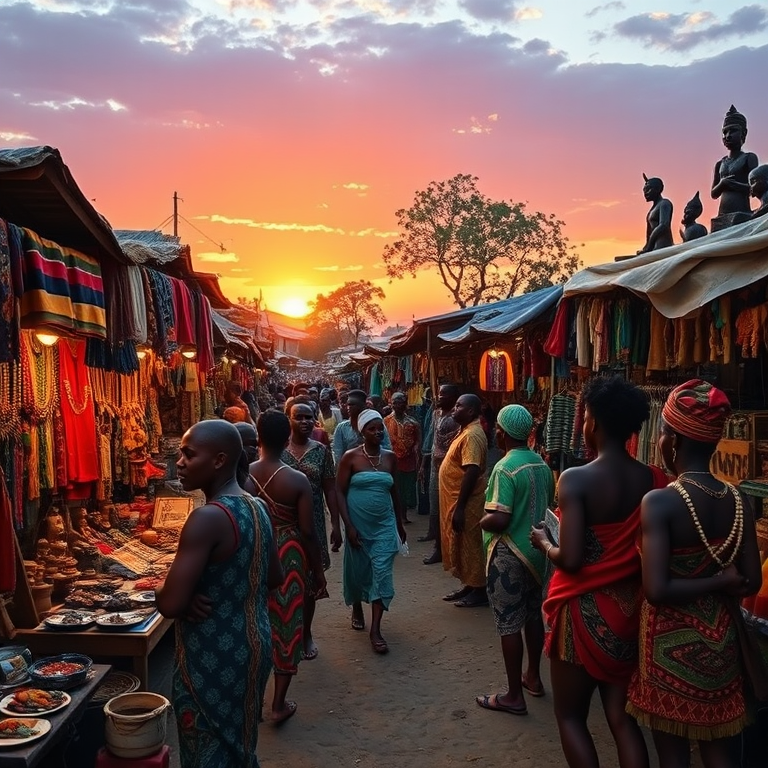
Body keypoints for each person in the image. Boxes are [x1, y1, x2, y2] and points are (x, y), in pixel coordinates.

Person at [530, 376, 668, 768]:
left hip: (581, 614)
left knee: (570, 716)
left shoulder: (576, 478)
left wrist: (543, 540)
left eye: (585, 417)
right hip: (629, 615)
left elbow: (570, 558)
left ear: (596, 424)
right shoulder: (656, 480)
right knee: (622, 720)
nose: (583, 425)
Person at [626, 380, 762, 768]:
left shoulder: (661, 501)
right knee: (719, 750)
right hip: (722, 646)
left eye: (664, 433)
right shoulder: (738, 499)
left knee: (673, 757)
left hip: (667, 647)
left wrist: (717, 580)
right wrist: (723, 582)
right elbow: (750, 580)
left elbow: (656, 588)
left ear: (671, 440)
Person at [157, 420, 281, 767]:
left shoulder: (208, 518)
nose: (179, 462)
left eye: (189, 454)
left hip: (212, 652)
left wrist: (162, 587)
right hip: (254, 644)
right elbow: (273, 576)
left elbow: (170, 603)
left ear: (219, 460)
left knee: (207, 750)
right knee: (239, 744)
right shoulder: (257, 507)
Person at [476, 405, 555, 716]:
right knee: (533, 616)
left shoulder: (505, 467)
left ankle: (513, 695)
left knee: (508, 623)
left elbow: (499, 518)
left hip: (508, 553)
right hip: (537, 551)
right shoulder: (541, 464)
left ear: (502, 433)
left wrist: (479, 520)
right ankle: (532, 678)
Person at [250, 411, 327, 724]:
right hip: (289, 553)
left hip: (255, 551)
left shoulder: (246, 475)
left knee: (256, 622)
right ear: (286, 439)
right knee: (286, 623)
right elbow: (308, 531)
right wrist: (318, 571)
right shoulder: (297, 480)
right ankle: (278, 704)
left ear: (258, 438)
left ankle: (254, 703)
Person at [337, 409, 407, 654]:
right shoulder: (350, 457)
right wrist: (348, 525)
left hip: (384, 525)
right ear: (362, 432)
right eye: (372, 429)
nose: (378, 432)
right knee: (359, 569)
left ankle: (376, 629)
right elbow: (339, 493)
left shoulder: (389, 457)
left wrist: (399, 523)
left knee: (382, 572)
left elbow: (395, 492)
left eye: (380, 428)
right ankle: (357, 603)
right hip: (358, 524)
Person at [283, 401, 343, 660]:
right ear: (289, 419)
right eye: (299, 417)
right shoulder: (277, 450)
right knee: (283, 583)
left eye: (310, 417)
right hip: (282, 524)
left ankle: (305, 633)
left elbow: (330, 488)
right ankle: (285, 635)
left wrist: (335, 524)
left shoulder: (320, 451)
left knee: (309, 584)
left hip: (313, 525)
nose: (306, 422)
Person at [440, 393, 489, 608]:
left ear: (470, 411)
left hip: (468, 501)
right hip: (459, 499)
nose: (454, 409)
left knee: (472, 544)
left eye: (459, 405)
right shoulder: (466, 431)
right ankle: (470, 584)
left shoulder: (473, 435)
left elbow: (472, 470)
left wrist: (460, 507)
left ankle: (480, 590)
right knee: (463, 543)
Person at [421, 384, 461, 564]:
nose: (439, 397)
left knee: (448, 510)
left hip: (450, 469)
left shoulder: (456, 418)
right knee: (435, 506)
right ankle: (439, 545)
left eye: (444, 394)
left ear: (454, 398)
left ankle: (446, 548)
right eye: (439, 393)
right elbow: (433, 441)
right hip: (436, 468)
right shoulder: (437, 414)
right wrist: (424, 462)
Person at [711, 105, 759, 223]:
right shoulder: (720, 164)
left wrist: (734, 185)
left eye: (733, 131)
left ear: (743, 133)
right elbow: (714, 193)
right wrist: (723, 184)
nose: (727, 136)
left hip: (742, 212)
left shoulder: (749, 158)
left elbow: (756, 188)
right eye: (725, 132)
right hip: (721, 215)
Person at [383, 392, 422, 525]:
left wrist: (416, 450)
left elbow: (418, 440)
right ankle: (393, 515)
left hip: (408, 461)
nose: (398, 405)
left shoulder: (413, 423)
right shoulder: (385, 421)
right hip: (391, 461)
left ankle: (403, 515)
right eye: (395, 402)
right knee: (392, 488)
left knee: (404, 490)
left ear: (405, 404)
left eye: (401, 402)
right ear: (391, 404)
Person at [332, 389, 392, 465]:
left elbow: (387, 446)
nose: (348, 407)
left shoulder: (377, 425)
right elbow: (337, 453)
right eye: (348, 404)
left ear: (362, 406)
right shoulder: (341, 428)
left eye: (352, 405)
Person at [636, 175, 673, 254]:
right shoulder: (652, 209)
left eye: (648, 189)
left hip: (663, 247)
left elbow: (663, 225)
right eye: (644, 190)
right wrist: (647, 246)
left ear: (658, 189)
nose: (645, 193)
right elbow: (649, 230)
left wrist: (649, 245)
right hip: (653, 248)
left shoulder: (664, 203)